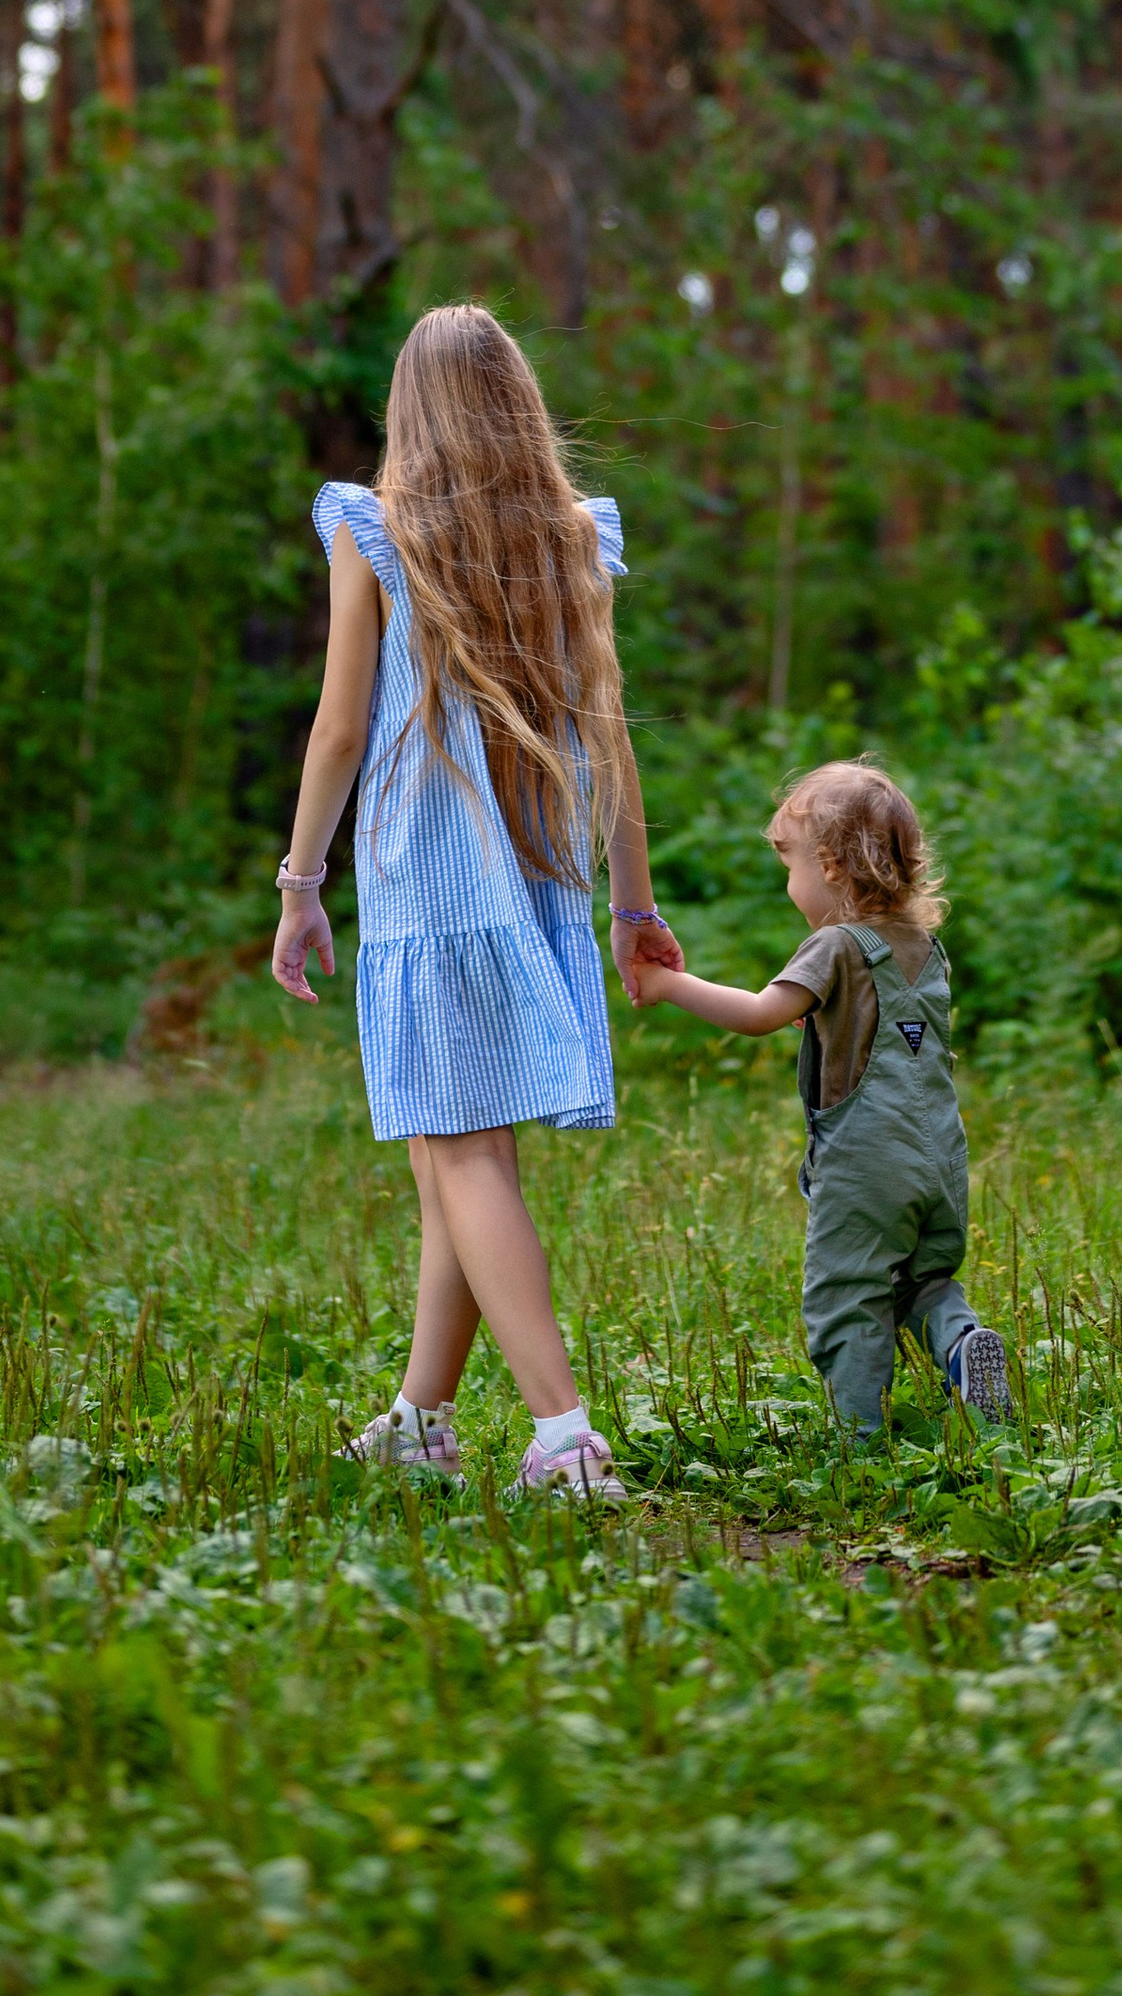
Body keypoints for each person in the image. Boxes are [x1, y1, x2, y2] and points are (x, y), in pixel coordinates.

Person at [271, 302, 682, 1496]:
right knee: (450, 1150)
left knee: (459, 1149)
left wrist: (301, 883)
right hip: (539, 872)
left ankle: (563, 1434)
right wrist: (630, 904)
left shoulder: (374, 528)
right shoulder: (570, 533)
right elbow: (608, 732)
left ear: (410, 407)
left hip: (428, 882)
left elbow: (338, 728)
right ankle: (421, 1416)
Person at [631, 757, 1013, 1434]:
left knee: (849, 1294)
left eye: (789, 863)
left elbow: (758, 1014)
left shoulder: (835, 944)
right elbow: (892, 1028)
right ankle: (961, 1343)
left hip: (867, 1164)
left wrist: (667, 986)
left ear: (831, 865)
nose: (789, 882)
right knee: (923, 1280)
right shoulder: (925, 947)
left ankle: (859, 1445)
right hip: (941, 1159)